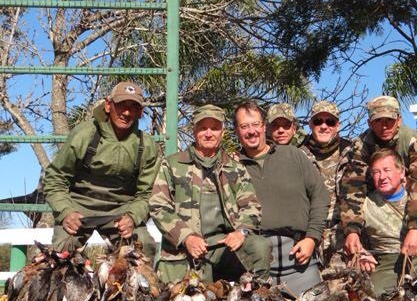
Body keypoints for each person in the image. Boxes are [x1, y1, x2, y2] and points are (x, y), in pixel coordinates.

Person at [150, 105, 270, 284]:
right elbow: (159, 205)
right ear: (194, 131)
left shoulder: (235, 168)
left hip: (223, 247)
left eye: (214, 128)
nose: (208, 133)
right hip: (184, 250)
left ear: (222, 132)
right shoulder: (173, 164)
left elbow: (251, 206)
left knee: (259, 246)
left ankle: (257, 298)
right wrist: (186, 237)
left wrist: (241, 232)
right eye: (202, 128)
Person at [43, 81, 159, 258]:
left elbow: (147, 194)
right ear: (108, 105)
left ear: (140, 112)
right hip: (79, 207)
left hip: (121, 211)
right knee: (61, 252)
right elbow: (55, 178)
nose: (126, 113)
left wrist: (132, 217)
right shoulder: (84, 134)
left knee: (143, 247)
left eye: (133, 107)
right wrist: (66, 211)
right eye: (121, 105)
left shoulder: (147, 145)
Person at [234, 100, 329, 296]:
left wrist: (312, 237)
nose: (251, 131)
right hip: (253, 264)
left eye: (255, 125)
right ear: (236, 130)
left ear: (263, 127)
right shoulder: (231, 166)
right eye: (244, 126)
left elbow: (320, 195)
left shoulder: (294, 156)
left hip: (299, 261)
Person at [340, 95, 417, 261]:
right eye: (378, 121)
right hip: (377, 206)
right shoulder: (360, 145)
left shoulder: (415, 141)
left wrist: (415, 227)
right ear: (369, 123)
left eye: (389, 121)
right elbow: (353, 187)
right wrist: (352, 230)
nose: (384, 126)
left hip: (410, 202)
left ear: (398, 120)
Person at [344, 148, 417, 297]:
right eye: (376, 172)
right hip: (390, 263)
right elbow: (355, 242)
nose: (382, 177)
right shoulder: (364, 205)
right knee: (371, 294)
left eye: (387, 170)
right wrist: (362, 255)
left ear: (402, 172)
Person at [299, 101, 352, 263]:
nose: (324, 126)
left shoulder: (353, 152)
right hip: (308, 236)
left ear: (338, 125)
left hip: (343, 236)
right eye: (318, 121)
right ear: (310, 124)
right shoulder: (298, 154)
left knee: (342, 286)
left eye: (330, 122)